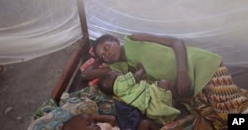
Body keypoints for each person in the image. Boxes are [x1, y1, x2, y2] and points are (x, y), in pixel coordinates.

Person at [91, 33, 248, 130]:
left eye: (106, 47)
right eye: (103, 56)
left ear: (115, 41)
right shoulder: (126, 71)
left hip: (201, 66)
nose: (107, 55)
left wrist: (182, 72)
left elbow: (177, 42)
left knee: (230, 112)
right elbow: (86, 74)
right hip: (191, 90)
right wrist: (94, 59)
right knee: (218, 119)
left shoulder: (135, 40)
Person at [98, 63, 182, 126]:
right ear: (111, 75)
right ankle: (178, 98)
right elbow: (135, 78)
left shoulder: (117, 95)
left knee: (165, 116)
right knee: (164, 83)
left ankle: (173, 111)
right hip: (150, 98)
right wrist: (140, 70)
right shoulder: (120, 82)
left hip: (149, 111)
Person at [62, 114, 159, 130]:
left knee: (145, 123)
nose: (94, 125)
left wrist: (93, 118)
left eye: (93, 122)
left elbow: (112, 119)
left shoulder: (101, 127)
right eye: (88, 124)